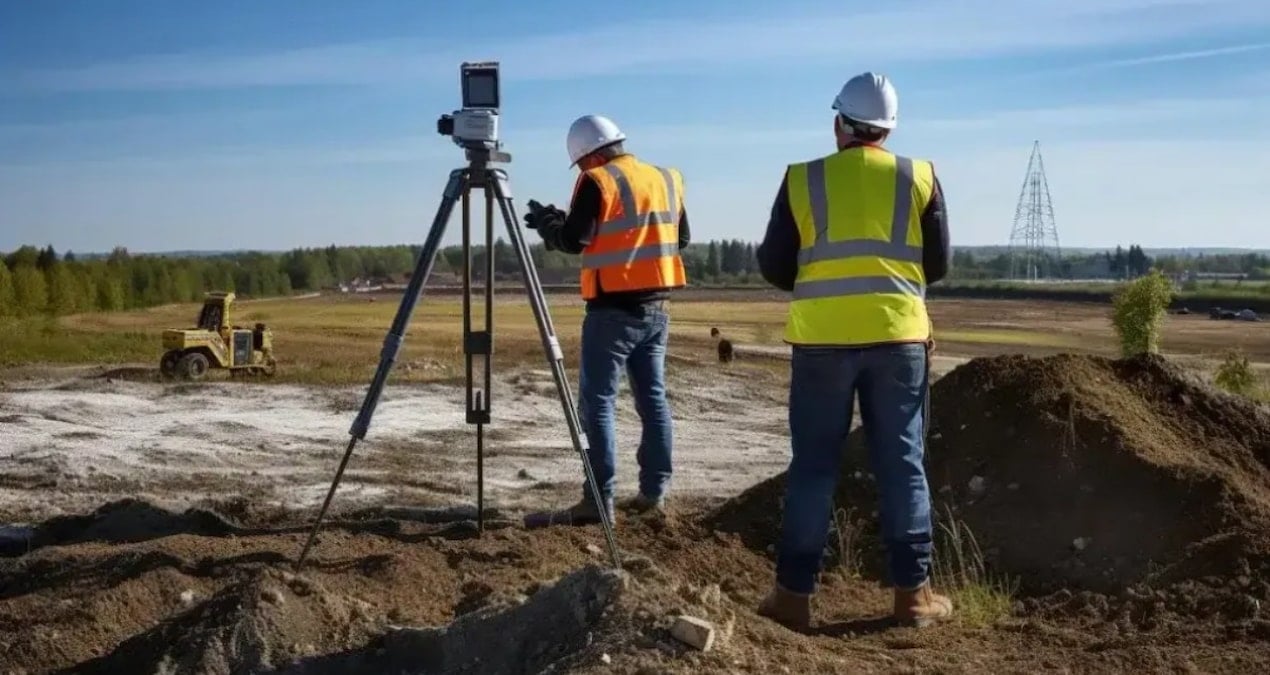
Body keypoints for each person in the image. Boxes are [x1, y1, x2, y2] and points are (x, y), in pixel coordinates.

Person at [754, 72, 952, 630]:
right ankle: (912, 598)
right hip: (899, 338)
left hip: (820, 342)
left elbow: (774, 265)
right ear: (889, 128)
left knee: (814, 469)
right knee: (903, 466)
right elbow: (936, 265)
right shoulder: (921, 177)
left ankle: (793, 599)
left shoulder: (802, 179)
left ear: (839, 122)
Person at [522, 114, 690, 529]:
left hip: (613, 311)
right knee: (652, 399)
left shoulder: (598, 181)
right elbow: (680, 239)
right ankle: (654, 493)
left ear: (591, 155)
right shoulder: (665, 178)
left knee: (597, 401)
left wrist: (549, 224)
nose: (580, 171)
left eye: (579, 163)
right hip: (657, 309)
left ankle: (598, 501)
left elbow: (573, 240)